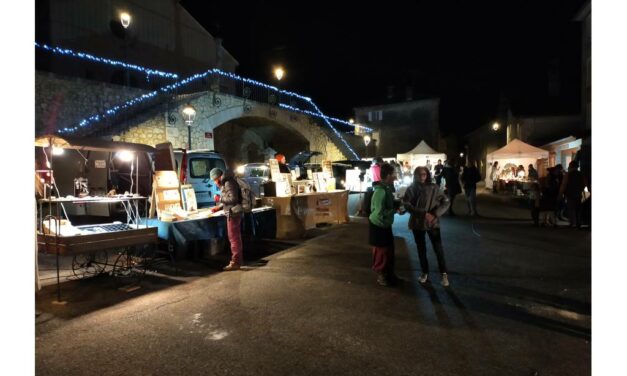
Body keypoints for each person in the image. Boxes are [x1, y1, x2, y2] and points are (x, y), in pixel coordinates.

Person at [403, 166, 451, 286]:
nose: (422, 177)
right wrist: (424, 213)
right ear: (415, 175)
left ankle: (444, 274)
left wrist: (435, 214)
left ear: (427, 175)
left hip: (432, 223)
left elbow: (446, 201)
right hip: (417, 223)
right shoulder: (411, 189)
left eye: (424, 174)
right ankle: (425, 273)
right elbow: (407, 205)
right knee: (421, 249)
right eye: (419, 174)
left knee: (438, 249)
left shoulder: (434, 187)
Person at [368, 163, 399, 286]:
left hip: (384, 224)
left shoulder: (386, 188)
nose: (396, 176)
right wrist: (394, 210)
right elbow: (378, 213)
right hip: (379, 225)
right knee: (382, 252)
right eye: (394, 174)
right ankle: (382, 276)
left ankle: (389, 274)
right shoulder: (381, 191)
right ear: (388, 175)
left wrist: (395, 206)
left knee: (389, 251)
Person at [210, 168, 243, 271]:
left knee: (234, 238)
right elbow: (228, 198)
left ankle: (236, 262)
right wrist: (219, 207)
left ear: (218, 177)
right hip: (231, 212)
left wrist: (219, 199)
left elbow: (233, 199)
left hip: (233, 213)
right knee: (234, 237)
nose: (215, 183)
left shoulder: (228, 183)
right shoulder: (226, 182)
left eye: (214, 180)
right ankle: (237, 260)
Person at [560, 161, 587, 228]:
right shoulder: (581, 174)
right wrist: (581, 188)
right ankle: (578, 222)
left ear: (570, 166)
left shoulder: (568, 174)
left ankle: (572, 223)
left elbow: (564, 184)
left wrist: (560, 193)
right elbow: (585, 183)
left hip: (570, 194)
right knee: (578, 209)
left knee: (571, 208)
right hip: (578, 193)